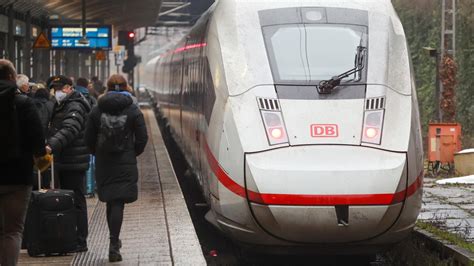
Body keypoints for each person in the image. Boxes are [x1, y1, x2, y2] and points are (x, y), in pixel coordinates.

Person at [85, 74, 148, 262]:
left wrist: (97, 153)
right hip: (125, 161)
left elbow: (88, 138)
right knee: (118, 202)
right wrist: (131, 152)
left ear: (108, 87)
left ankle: (114, 241)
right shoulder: (133, 109)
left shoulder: (97, 110)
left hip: (104, 162)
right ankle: (113, 245)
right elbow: (142, 138)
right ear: (126, 87)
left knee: (111, 201)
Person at [0, 59, 47, 265]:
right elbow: (38, 141)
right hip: (19, 176)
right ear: (12, 76)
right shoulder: (24, 102)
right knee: (12, 231)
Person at [46, 75, 91, 252]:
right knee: (69, 201)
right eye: (54, 89)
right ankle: (71, 237)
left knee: (76, 201)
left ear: (68, 88)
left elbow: (70, 129)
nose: (56, 92)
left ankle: (80, 240)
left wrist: (51, 145)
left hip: (73, 160)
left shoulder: (75, 106)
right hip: (66, 159)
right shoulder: (62, 105)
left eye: (58, 89)